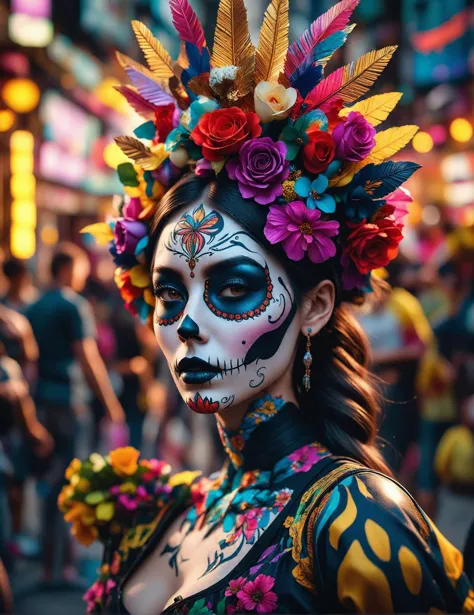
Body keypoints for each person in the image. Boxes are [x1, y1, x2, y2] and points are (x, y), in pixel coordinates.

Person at [59, 1, 474, 612]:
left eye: (232, 289)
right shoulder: (160, 511)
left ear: (314, 306)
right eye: (169, 294)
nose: (188, 325)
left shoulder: (357, 525)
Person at [28, 245, 125, 581]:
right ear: (68, 269)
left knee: (48, 481)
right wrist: (111, 403)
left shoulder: (35, 306)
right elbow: (88, 358)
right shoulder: (74, 306)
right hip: (69, 403)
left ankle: (46, 564)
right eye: (82, 268)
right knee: (71, 481)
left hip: (40, 403)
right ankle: (65, 566)